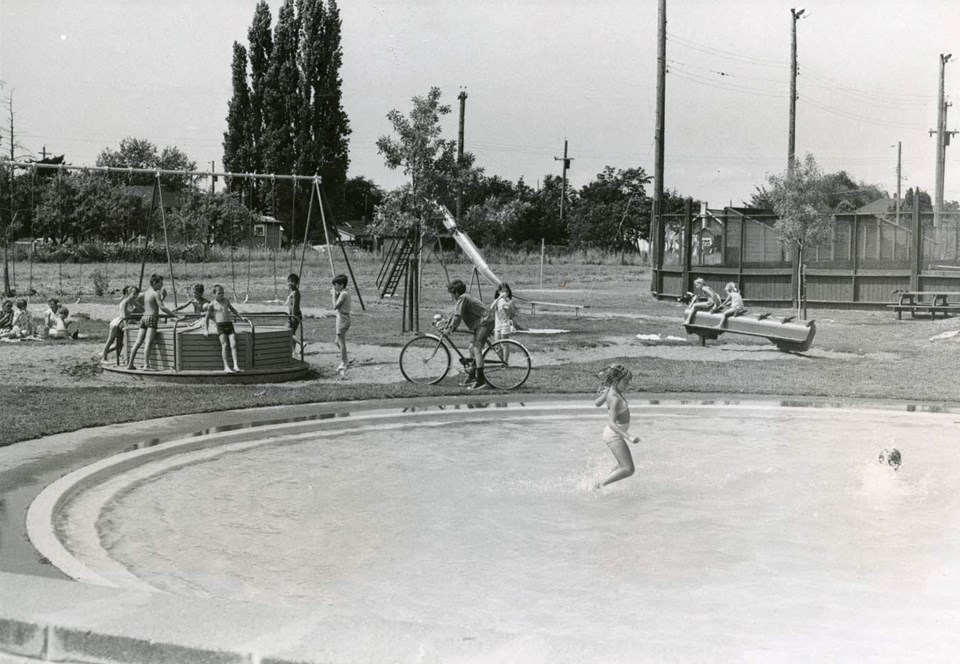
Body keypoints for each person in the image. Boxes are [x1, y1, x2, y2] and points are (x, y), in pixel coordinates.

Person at [593, 364, 641, 489]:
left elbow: (597, 404)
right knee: (629, 469)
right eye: (625, 381)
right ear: (615, 380)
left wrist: (605, 394)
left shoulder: (611, 391)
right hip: (614, 434)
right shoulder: (615, 398)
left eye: (628, 381)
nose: (628, 384)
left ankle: (600, 483)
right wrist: (628, 436)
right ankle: (598, 486)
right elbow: (611, 423)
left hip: (614, 434)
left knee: (622, 465)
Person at [443, 279, 495, 390]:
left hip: (485, 322)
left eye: (452, 293)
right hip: (483, 322)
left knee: (476, 349)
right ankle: (472, 376)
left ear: (456, 292)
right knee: (471, 349)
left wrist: (450, 329)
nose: (452, 296)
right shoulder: (463, 298)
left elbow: (457, 317)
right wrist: (447, 324)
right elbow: (454, 314)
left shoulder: (463, 298)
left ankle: (480, 380)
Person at [126, 274, 178, 371]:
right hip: (152, 319)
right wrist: (173, 315)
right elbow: (162, 307)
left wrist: (163, 297)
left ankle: (130, 364)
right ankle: (146, 365)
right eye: (160, 284)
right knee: (148, 342)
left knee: (138, 342)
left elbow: (152, 304)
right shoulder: (155, 293)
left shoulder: (146, 293)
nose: (161, 286)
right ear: (154, 283)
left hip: (144, 318)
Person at [204, 284, 243, 373]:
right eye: (219, 293)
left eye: (222, 293)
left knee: (233, 344)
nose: (221, 295)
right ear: (214, 294)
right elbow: (206, 317)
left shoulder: (226, 301)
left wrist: (241, 317)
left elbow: (233, 310)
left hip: (229, 324)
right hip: (220, 325)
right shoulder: (212, 304)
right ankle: (226, 366)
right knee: (224, 345)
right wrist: (206, 330)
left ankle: (236, 365)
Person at [101, 286, 139, 360]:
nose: (136, 296)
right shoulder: (124, 302)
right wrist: (126, 326)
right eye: (134, 294)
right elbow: (124, 315)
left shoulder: (133, 301)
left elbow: (140, 308)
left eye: (137, 294)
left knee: (120, 344)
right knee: (110, 340)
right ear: (128, 293)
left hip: (124, 323)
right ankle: (103, 358)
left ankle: (113, 355)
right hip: (118, 323)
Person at [331, 274, 351, 378]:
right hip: (342, 318)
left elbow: (335, 306)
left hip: (343, 319)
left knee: (341, 341)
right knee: (336, 342)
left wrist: (333, 295)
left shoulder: (343, 294)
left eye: (336, 285)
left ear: (341, 285)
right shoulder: (344, 293)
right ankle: (346, 359)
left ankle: (344, 363)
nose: (334, 287)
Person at [492, 282, 518, 362]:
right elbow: (491, 308)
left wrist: (510, 308)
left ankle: (505, 361)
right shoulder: (497, 301)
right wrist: (499, 298)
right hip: (497, 325)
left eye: (506, 291)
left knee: (505, 344)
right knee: (496, 345)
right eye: (503, 291)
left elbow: (513, 314)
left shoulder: (509, 301)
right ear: (499, 292)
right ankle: (501, 360)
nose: (505, 293)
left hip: (505, 325)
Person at [284, 273, 304, 353]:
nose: (290, 283)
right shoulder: (292, 292)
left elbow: (295, 306)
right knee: (291, 332)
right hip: (291, 314)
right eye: (289, 281)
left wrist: (292, 316)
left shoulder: (296, 293)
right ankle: (293, 350)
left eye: (293, 282)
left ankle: (301, 344)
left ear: (296, 283)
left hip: (295, 314)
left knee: (290, 332)